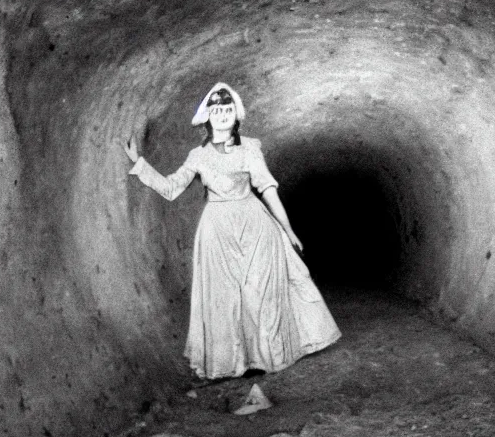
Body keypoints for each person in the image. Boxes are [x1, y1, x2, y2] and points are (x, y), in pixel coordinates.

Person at [121, 82, 341, 413]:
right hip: (217, 230)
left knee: (260, 291)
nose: (222, 116)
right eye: (216, 110)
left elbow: (267, 189)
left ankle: (268, 357)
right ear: (208, 116)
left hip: (255, 225)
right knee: (225, 296)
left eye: (227, 110)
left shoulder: (250, 148)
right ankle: (235, 363)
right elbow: (170, 188)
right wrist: (139, 164)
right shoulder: (198, 156)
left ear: (235, 115)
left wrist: (288, 228)